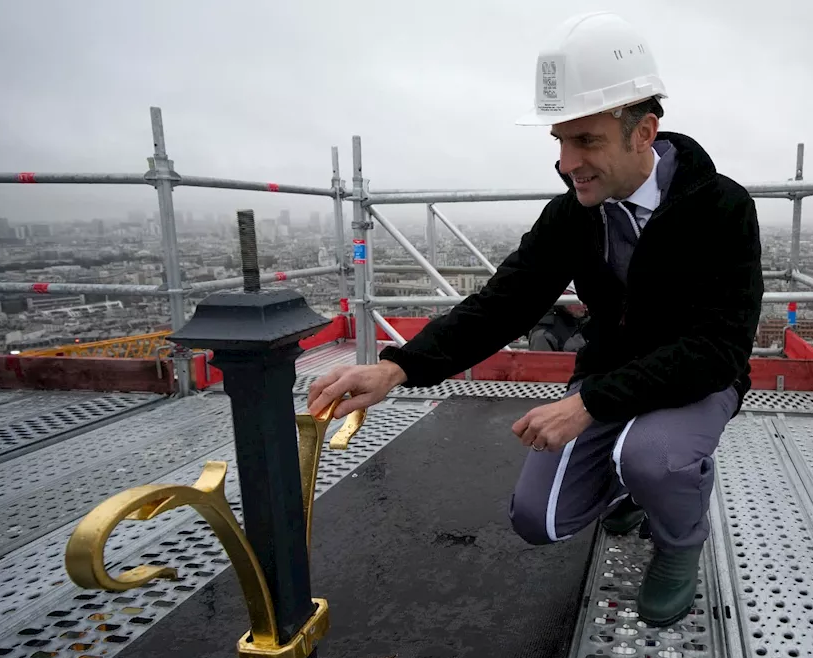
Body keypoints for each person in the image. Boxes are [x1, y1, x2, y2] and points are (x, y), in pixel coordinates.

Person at [308, 11, 762, 627]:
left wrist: (590, 404)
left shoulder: (720, 207)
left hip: (696, 383)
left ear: (644, 132)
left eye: (586, 141)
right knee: (538, 520)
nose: (565, 161)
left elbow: (718, 349)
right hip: (611, 376)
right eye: (560, 141)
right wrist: (398, 367)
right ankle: (632, 489)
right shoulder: (573, 214)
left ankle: (679, 542)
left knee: (654, 456)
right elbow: (506, 301)